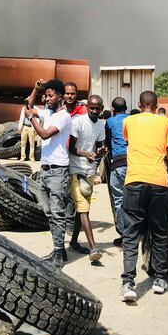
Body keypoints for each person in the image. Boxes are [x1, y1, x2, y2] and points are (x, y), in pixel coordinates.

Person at [120, 90, 168, 302]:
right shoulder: (167, 123)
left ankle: (128, 283)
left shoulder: (129, 121)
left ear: (139, 104)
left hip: (134, 181)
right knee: (160, 232)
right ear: (156, 105)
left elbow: (131, 144)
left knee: (131, 233)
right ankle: (160, 279)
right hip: (158, 182)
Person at [25, 79, 73, 268]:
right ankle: (58, 249)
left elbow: (44, 134)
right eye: (46, 95)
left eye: (50, 95)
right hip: (45, 170)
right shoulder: (48, 113)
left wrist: (31, 119)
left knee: (57, 213)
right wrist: (35, 88)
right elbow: (28, 106)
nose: (47, 99)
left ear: (60, 96)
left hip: (58, 171)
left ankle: (59, 254)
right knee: (48, 212)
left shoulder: (63, 117)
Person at [68, 95, 106, 263]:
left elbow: (99, 147)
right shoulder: (78, 122)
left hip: (89, 171)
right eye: (92, 108)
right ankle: (93, 248)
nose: (94, 111)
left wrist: (101, 152)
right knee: (83, 208)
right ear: (87, 107)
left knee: (82, 210)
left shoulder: (101, 125)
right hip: (76, 171)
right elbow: (71, 148)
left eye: (97, 109)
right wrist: (85, 153)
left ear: (101, 108)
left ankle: (74, 242)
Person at [105, 97, 129, 246]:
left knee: (119, 200)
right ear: (126, 108)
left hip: (119, 164)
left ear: (113, 110)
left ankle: (125, 235)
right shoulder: (133, 120)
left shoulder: (110, 122)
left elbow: (107, 141)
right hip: (134, 163)